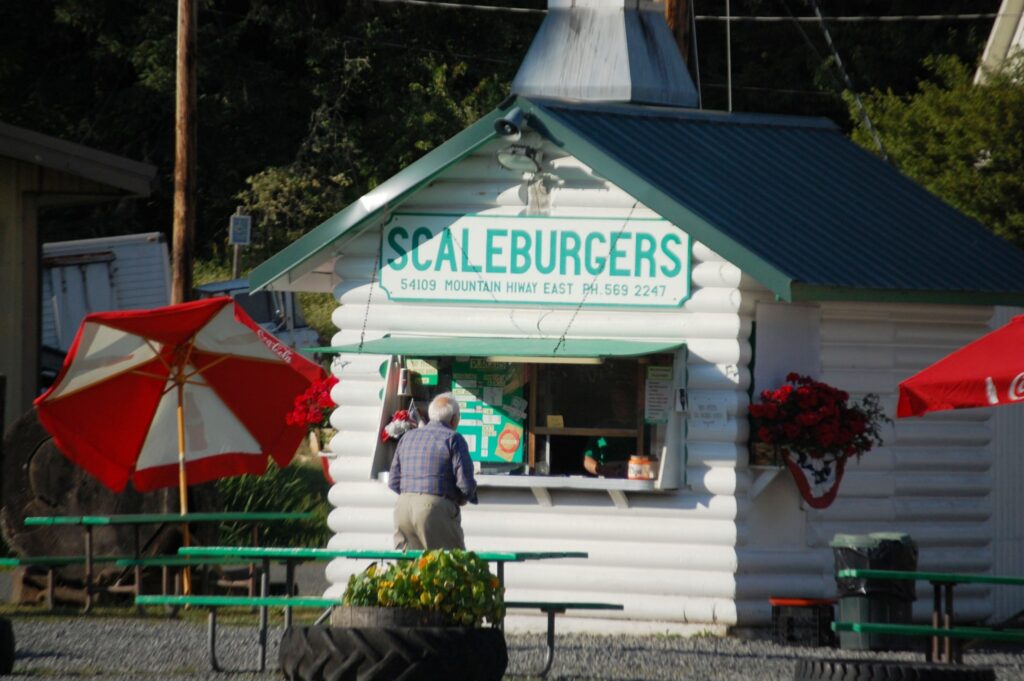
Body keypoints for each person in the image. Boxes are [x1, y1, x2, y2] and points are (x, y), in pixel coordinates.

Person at [387, 392, 477, 550]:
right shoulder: (453, 439)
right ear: (454, 418)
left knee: (410, 569)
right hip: (434, 509)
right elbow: (466, 484)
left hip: (402, 508)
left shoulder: (407, 437)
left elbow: (394, 481)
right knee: (450, 565)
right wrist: (464, 498)